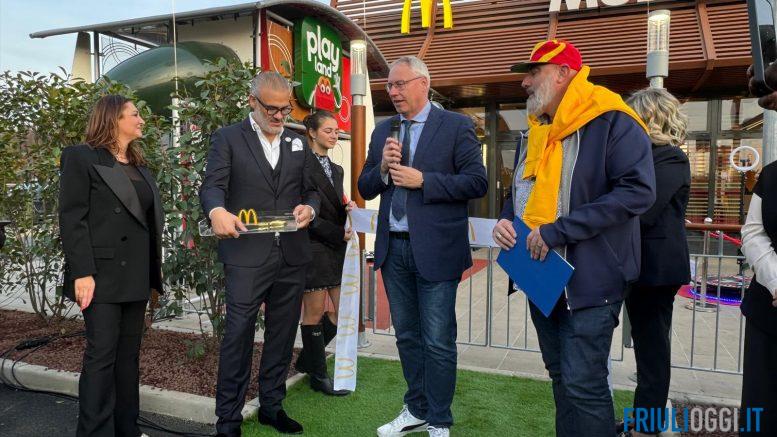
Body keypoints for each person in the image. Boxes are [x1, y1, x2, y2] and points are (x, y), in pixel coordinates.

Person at [492, 40, 655, 436]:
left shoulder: (613, 119)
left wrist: (558, 230)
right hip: (540, 275)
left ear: (564, 72)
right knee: (562, 379)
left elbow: (637, 191)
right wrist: (505, 220)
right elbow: (521, 192)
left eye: (534, 72)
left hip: (591, 279)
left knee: (584, 384)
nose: (525, 82)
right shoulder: (535, 131)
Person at [358, 56, 488, 437]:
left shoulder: (456, 126)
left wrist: (425, 181)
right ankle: (416, 408)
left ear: (423, 84)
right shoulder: (384, 131)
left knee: (437, 340)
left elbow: (476, 182)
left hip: (435, 250)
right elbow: (366, 186)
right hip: (392, 249)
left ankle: (439, 420)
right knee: (408, 337)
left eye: (400, 84)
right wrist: (382, 169)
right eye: (389, 86)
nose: (393, 91)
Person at [199, 71, 319, 436]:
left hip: (291, 256)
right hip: (245, 257)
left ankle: (271, 406)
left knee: (282, 336)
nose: (280, 116)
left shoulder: (298, 143)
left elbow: (312, 191)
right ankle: (229, 420)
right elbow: (212, 186)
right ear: (252, 102)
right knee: (238, 336)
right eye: (272, 108)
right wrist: (216, 211)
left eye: (286, 109)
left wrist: (309, 210)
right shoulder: (227, 138)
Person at [59, 94, 164, 437]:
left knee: (127, 358)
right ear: (113, 118)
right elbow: (73, 218)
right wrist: (82, 272)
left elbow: (146, 224)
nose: (141, 120)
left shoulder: (139, 164)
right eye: (135, 114)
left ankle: (126, 428)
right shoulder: (82, 157)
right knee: (101, 357)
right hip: (100, 275)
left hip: (135, 275)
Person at [622, 88, 691, 436]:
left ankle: (647, 425)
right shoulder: (645, 157)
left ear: (650, 118)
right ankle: (642, 417)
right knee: (646, 349)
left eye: (634, 115)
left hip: (657, 269)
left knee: (651, 352)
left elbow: (644, 210)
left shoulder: (671, 158)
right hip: (641, 267)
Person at [294, 110, 353, 397]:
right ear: (313, 133)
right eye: (329, 130)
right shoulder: (299, 166)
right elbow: (304, 214)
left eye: (337, 130)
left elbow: (332, 206)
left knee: (345, 311)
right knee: (314, 314)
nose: (335, 134)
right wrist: (335, 232)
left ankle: (308, 360)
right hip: (313, 246)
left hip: (336, 247)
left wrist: (348, 208)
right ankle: (319, 375)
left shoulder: (337, 169)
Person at [739, 65, 777, 436]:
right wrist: (776, 280)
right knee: (761, 410)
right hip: (768, 313)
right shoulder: (773, 173)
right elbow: (754, 231)